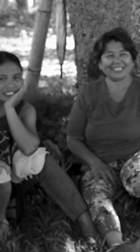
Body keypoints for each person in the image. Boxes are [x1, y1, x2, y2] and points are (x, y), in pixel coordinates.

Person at [66, 28, 140, 252]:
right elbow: (73, 139)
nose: (117, 61)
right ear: (100, 63)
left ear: (133, 61)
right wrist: (95, 163)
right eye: (109, 55)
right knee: (95, 199)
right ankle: (118, 246)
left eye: (123, 54)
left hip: (139, 159)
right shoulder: (88, 95)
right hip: (101, 165)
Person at [0, 51, 97, 241]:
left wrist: (10, 108)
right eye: (1, 79)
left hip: (13, 175)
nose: (10, 85)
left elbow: (29, 148)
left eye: (16, 78)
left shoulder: (25, 109)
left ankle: (85, 222)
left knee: (42, 159)